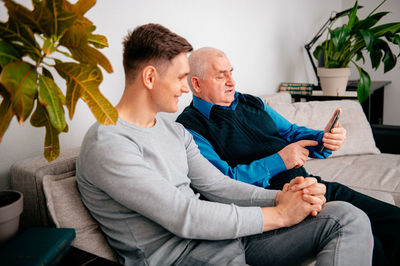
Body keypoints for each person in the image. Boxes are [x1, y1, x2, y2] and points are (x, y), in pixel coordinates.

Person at [76, 24, 373, 266]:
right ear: (150, 77)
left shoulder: (173, 132)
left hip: (229, 240)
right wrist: (280, 214)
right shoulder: (109, 144)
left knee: (346, 217)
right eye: (181, 77)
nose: (185, 87)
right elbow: (185, 217)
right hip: (184, 258)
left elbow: (219, 186)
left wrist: (283, 197)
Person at [176, 46, 400, 266]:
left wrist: (324, 138)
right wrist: (280, 160)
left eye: (231, 73)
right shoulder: (190, 128)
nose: (232, 82)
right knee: (372, 241)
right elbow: (221, 183)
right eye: (220, 76)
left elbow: (291, 132)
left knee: (393, 220)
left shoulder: (252, 102)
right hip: (276, 205)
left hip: (312, 185)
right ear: (196, 84)